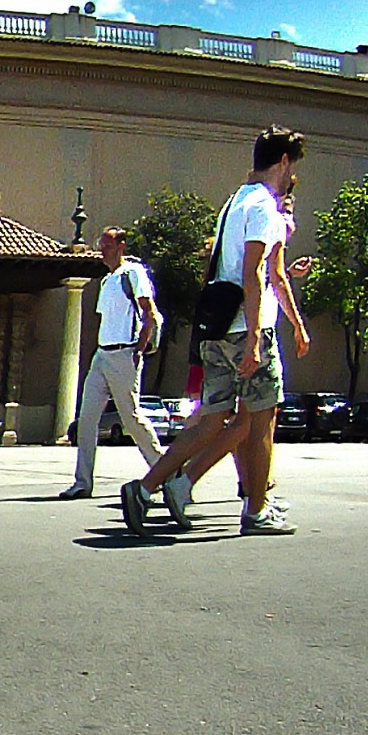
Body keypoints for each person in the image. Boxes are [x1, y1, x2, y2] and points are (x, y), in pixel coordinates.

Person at [121, 125, 310, 538]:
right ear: (283, 162)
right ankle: (256, 511)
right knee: (260, 422)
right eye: (292, 166)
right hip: (246, 329)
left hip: (217, 329)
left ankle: (146, 487)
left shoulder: (234, 203)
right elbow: (255, 273)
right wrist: (257, 338)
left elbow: (220, 267)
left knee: (211, 421)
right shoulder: (264, 207)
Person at [58, 227, 164, 500]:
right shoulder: (107, 281)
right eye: (100, 246)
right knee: (87, 419)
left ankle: (166, 472)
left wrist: (138, 349)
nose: (102, 251)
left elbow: (149, 312)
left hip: (124, 354)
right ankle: (82, 482)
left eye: (106, 245)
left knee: (131, 418)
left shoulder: (133, 273)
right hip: (102, 355)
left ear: (120, 246)